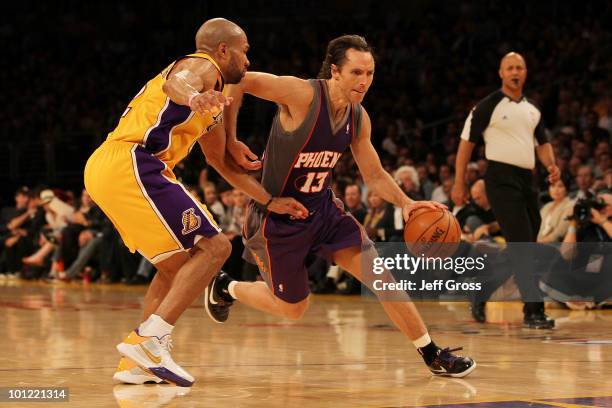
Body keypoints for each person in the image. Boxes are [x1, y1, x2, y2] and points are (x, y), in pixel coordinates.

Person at [207, 35, 475, 377]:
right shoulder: (302, 95)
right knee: (293, 309)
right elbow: (239, 81)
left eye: (370, 73)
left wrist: (406, 203)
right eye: (356, 72)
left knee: (383, 278)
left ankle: (431, 353)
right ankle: (226, 286)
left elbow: (374, 175)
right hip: (277, 217)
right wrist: (229, 139)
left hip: (324, 212)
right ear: (335, 71)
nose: (364, 81)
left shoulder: (358, 119)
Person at [84, 18, 306, 387]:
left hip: (113, 168)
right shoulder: (202, 66)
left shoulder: (213, 98)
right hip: (134, 161)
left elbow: (220, 162)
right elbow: (179, 81)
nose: (248, 60)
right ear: (223, 50)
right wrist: (192, 96)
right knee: (216, 246)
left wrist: (269, 200)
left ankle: (138, 363)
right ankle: (151, 341)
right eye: (244, 50)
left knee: (182, 265)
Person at [452, 52, 560, 329]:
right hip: (500, 179)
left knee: (524, 245)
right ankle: (533, 311)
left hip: (528, 180)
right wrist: (459, 182)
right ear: (501, 73)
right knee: (523, 244)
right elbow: (466, 145)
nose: (515, 72)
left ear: (525, 72)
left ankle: (482, 290)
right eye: (509, 67)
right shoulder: (487, 106)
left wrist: (551, 165)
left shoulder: (533, 109)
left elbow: (543, 143)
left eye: (519, 67)